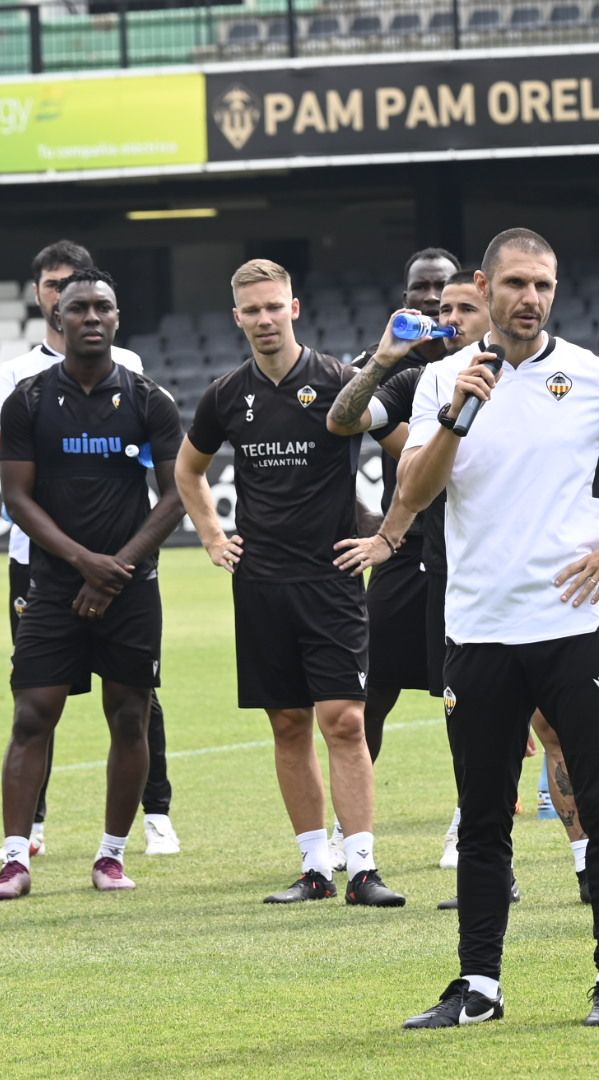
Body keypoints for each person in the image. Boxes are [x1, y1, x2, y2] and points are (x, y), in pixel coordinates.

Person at [396, 228, 599, 1029]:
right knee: (483, 816)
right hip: (476, 632)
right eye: (516, 285)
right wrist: (461, 411)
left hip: (573, 631)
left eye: (543, 285)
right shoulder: (442, 379)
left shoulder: (594, 375)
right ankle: (479, 987)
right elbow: (416, 493)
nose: (530, 299)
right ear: (484, 285)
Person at [174, 258, 405, 908]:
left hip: (331, 578)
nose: (265, 319)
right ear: (237, 318)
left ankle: (362, 867)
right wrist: (214, 537)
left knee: (345, 721)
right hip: (261, 583)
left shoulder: (339, 383)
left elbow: (411, 453)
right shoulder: (225, 395)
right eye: (253, 310)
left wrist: (387, 535)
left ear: (294, 308)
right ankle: (314, 868)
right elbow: (189, 472)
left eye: (274, 306)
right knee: (286, 723)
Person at [0, 269, 186, 900]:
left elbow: (178, 495)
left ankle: (111, 856)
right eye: (78, 308)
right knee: (31, 714)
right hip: (51, 588)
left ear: (117, 317)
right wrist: (83, 563)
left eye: (103, 306)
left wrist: (115, 567)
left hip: (131, 587)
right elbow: (17, 497)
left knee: (129, 717)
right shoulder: (31, 400)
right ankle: (16, 858)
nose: (91, 317)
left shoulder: (151, 400)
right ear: (58, 318)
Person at [324, 246, 460, 869]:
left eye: (442, 290)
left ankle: (474, 821)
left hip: (472, 544)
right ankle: (345, 830)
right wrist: (371, 522)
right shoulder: (383, 368)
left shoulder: (484, 362)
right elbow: (336, 438)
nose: (430, 301)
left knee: (487, 692)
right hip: (402, 547)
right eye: (419, 289)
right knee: (370, 690)